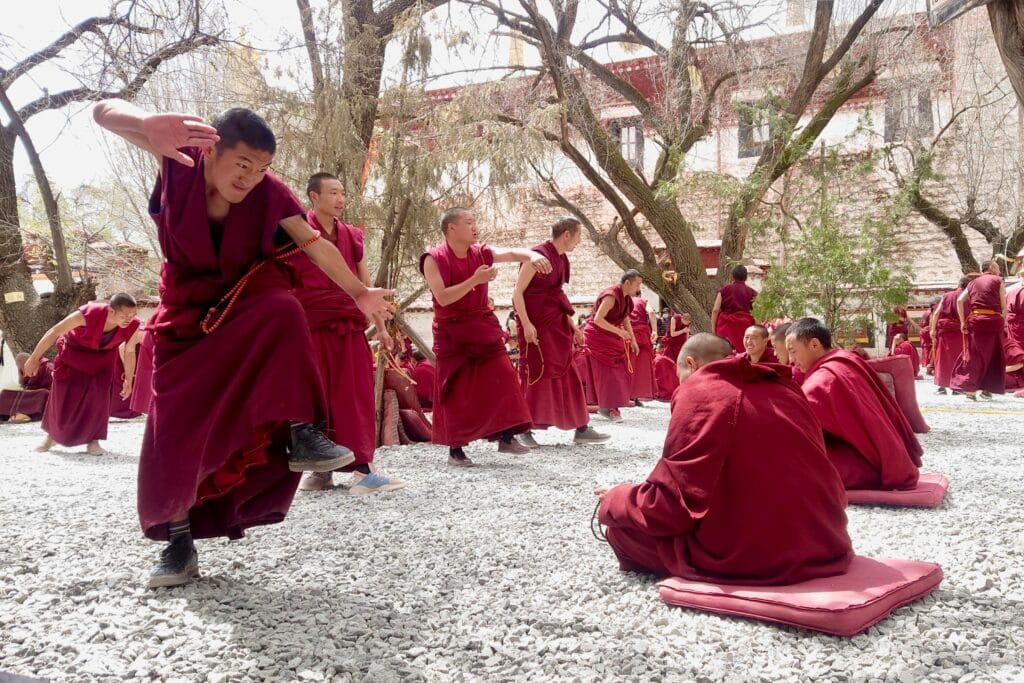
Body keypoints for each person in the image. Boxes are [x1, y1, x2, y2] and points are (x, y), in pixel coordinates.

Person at [94, 100, 394, 588]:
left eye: (262, 168)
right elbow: (102, 111)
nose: (251, 177)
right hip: (184, 316)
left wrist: (359, 292)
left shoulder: (269, 193)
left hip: (244, 302)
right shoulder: (182, 160)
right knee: (174, 428)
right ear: (213, 151)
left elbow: (314, 243)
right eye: (243, 164)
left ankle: (303, 431)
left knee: (283, 308)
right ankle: (179, 541)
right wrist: (147, 124)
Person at [594, 333, 853, 584]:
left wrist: (618, 498)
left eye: (680, 377)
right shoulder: (785, 387)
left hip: (763, 557)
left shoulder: (700, 390)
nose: (680, 385)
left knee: (622, 532)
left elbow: (672, 507)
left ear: (691, 365)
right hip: (828, 540)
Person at [291, 172, 404, 494]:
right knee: (316, 397)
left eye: (343, 193)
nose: (340, 199)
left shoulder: (353, 236)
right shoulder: (296, 233)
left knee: (354, 395)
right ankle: (320, 471)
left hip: (347, 324)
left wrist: (381, 327)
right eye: (333, 193)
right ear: (314, 196)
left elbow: (364, 284)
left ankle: (363, 470)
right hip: (308, 325)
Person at [419, 207, 547, 467]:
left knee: (503, 376)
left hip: (481, 324)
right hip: (450, 330)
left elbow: (510, 253)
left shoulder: (480, 252)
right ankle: (456, 449)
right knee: (455, 388)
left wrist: (532, 254)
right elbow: (443, 297)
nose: (474, 227)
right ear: (451, 228)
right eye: (469, 222)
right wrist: (474, 280)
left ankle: (507, 435)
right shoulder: (433, 258)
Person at [786, 318, 922, 491]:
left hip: (868, 464)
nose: (791, 360)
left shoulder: (822, 380)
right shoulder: (845, 358)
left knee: (791, 462)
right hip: (885, 454)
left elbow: (798, 426)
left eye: (793, 351)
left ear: (814, 344)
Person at [512, 217, 609, 447]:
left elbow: (556, 295)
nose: (578, 242)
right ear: (567, 234)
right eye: (578, 236)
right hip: (536, 326)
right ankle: (524, 429)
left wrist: (572, 325)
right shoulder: (535, 256)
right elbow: (517, 294)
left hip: (557, 325)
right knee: (538, 373)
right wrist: (526, 324)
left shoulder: (562, 259)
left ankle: (581, 427)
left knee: (569, 372)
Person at [23, 293, 141, 456]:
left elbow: (129, 351)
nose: (129, 319)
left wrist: (129, 379)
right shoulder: (87, 313)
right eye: (125, 315)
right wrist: (34, 358)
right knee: (63, 396)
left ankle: (94, 440)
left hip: (103, 359)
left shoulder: (133, 325)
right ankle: (52, 437)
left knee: (99, 398)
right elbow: (54, 331)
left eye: (132, 314)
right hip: (73, 354)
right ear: (111, 311)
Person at [581, 270, 644, 422]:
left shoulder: (626, 298)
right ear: (627, 283)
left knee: (618, 373)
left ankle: (607, 407)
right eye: (637, 284)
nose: (638, 288)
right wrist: (619, 332)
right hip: (597, 336)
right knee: (608, 375)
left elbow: (625, 318)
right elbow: (597, 319)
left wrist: (633, 340)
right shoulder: (611, 296)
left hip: (611, 336)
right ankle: (610, 409)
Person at [951, 261, 1007, 400]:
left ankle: (970, 391)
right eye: (998, 268)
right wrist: (1002, 319)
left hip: (976, 321)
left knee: (974, 355)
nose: (999, 271)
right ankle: (987, 390)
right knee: (994, 355)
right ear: (992, 268)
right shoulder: (998, 280)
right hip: (993, 321)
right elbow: (1004, 306)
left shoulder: (972, 282)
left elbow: (959, 300)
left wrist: (963, 321)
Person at [932, 277, 970, 395]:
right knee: (958, 358)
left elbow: (936, 313)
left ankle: (941, 387)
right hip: (959, 331)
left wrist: (932, 329)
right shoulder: (967, 297)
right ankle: (956, 386)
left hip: (945, 331)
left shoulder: (946, 296)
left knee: (943, 359)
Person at [711, 265, 757, 353]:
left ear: (732, 276)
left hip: (725, 325)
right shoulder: (752, 292)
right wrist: (758, 330)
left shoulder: (724, 290)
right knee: (743, 353)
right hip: (744, 326)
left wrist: (713, 329)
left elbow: (715, 310)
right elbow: (757, 313)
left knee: (724, 353)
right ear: (746, 277)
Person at [0, 352, 53, 423]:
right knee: (4, 393)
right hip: (30, 395)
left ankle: (32, 414)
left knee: (44, 393)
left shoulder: (48, 367)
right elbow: (23, 384)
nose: (23, 371)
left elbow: (54, 388)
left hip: (42, 397)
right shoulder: (24, 371)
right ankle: (5, 415)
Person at [628, 295, 657, 405]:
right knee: (642, 365)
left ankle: (628, 394)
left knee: (629, 364)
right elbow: (652, 312)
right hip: (643, 333)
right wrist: (654, 330)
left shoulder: (625, 299)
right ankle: (636, 395)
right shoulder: (643, 300)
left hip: (629, 332)